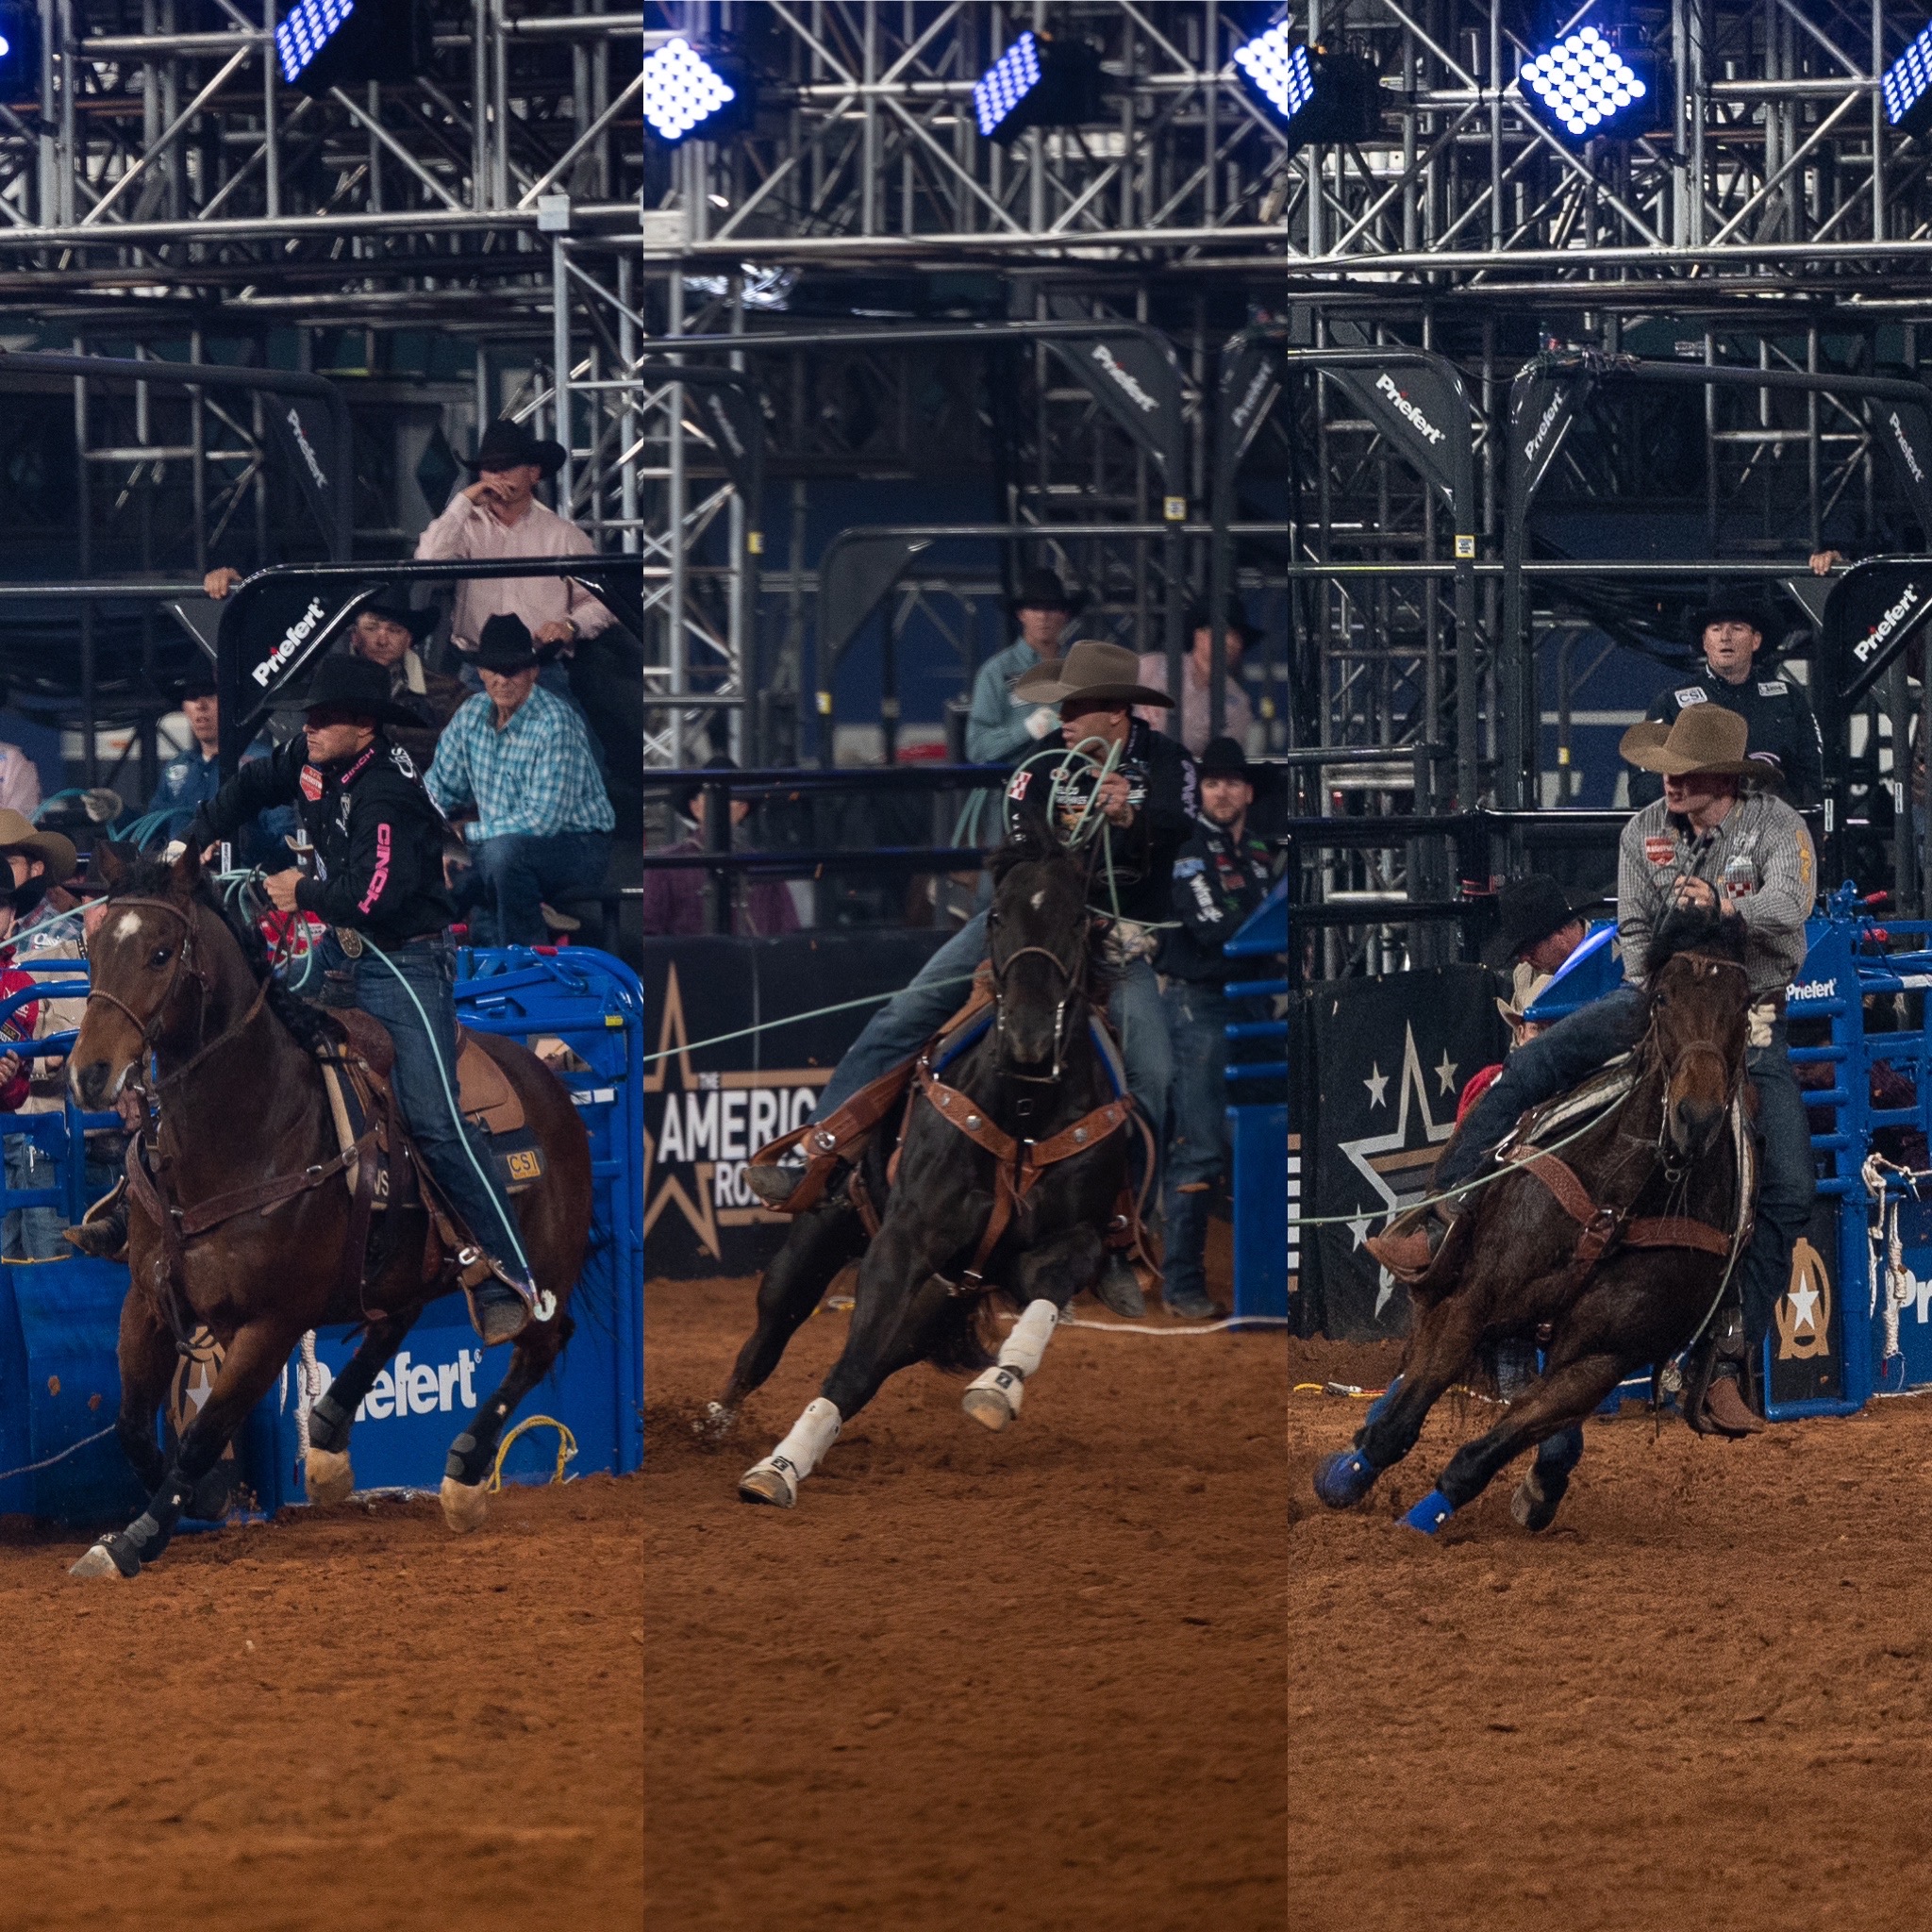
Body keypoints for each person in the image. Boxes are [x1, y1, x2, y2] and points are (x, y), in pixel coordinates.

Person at [1371, 708, 1817, 1435]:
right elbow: (1636, 935)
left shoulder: (1776, 826)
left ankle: (1725, 1352)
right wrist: (1663, 988)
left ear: (1724, 780)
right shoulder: (1641, 831)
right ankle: (1442, 1217)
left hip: (1745, 1017)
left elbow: (1789, 906)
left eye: (1685, 767)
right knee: (1529, 1068)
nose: (1668, 778)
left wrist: (1723, 908)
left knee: (1791, 1188)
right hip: (1653, 1004)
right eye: (1666, 765)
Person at [745, 639, 1198, 1318]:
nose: (1062, 721)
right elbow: (1019, 854)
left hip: (1119, 941)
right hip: (1031, 928)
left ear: (1113, 712)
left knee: (1155, 1074)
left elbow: (1183, 826)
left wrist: (1130, 813)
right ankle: (820, 1151)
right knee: (904, 1015)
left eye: (1074, 709)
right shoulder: (1038, 770)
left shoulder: (1167, 764)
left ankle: (1117, 1230)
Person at [176, 654, 541, 1345]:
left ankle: (510, 1271)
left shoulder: (387, 793)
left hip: (404, 961)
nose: (308, 728)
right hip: (342, 951)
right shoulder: (313, 762)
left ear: (363, 726)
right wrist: (191, 840)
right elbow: (250, 786)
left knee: (434, 1118)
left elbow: (375, 897)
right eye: (308, 717)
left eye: (323, 719)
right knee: (246, 1037)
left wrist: (298, 892)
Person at [1158, 737, 1274, 1322]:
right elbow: (1213, 931)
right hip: (1198, 1004)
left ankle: (1258, 1283)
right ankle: (1179, 1283)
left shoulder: (1258, 852)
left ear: (1247, 791)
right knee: (1200, 1147)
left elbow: (1248, 929)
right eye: (1211, 782)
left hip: (1247, 1006)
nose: (1222, 791)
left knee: (1250, 1143)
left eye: (1231, 782)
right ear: (1200, 792)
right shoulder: (1188, 851)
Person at [425, 613, 615, 947]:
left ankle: (525, 960)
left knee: (502, 856)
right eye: (493, 670)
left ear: (533, 672)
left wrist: (464, 836)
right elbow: (437, 787)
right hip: (495, 842)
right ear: (481, 673)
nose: (502, 680)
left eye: (512, 670)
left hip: (577, 844)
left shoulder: (556, 722)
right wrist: (435, 837)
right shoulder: (470, 714)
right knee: (432, 865)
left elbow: (543, 820)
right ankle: (433, 966)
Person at [413, 418, 615, 679]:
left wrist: (570, 626)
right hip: (477, 668)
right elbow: (428, 562)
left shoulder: (564, 534)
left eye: (508, 466)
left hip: (541, 667)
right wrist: (463, 501)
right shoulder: (465, 527)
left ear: (533, 473)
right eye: (490, 468)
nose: (499, 476)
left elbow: (602, 601)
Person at [1626, 596, 1824, 808]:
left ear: (1756, 641)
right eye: (1716, 629)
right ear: (1704, 642)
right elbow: (1643, 786)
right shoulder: (1672, 702)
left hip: (1773, 827)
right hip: (1696, 832)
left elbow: (1816, 776)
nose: (1725, 637)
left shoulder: (1788, 698)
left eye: (1737, 628)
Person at [149, 664, 296, 865]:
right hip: (181, 886)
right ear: (184, 707)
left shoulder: (262, 762)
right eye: (192, 696)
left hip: (241, 886)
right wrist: (117, 812)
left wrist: (241, 839)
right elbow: (150, 832)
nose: (201, 705)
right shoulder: (176, 768)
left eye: (211, 694)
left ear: (231, 701)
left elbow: (287, 841)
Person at [641, 754, 798, 939]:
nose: (721, 804)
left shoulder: (766, 868)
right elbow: (649, 933)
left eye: (730, 796)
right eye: (712, 796)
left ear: (743, 808)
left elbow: (789, 935)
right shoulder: (666, 866)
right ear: (695, 807)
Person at [964, 568, 1082, 765]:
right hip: (1012, 785)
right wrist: (1027, 729)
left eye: (1052, 608)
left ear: (1065, 614)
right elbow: (977, 749)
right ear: (1021, 614)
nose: (1043, 616)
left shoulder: (1082, 668)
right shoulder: (996, 672)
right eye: (1035, 608)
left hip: (1068, 784)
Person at [345, 591, 468, 773]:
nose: (382, 640)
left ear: (409, 640)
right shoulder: (331, 689)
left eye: (394, 630)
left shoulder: (449, 694)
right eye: (372, 628)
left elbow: (461, 769)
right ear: (354, 636)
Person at [1136, 598, 1257, 758]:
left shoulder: (1238, 703)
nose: (1231, 643)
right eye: (1224, 632)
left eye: (1237, 636)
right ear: (1199, 634)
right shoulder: (1151, 667)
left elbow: (1223, 761)